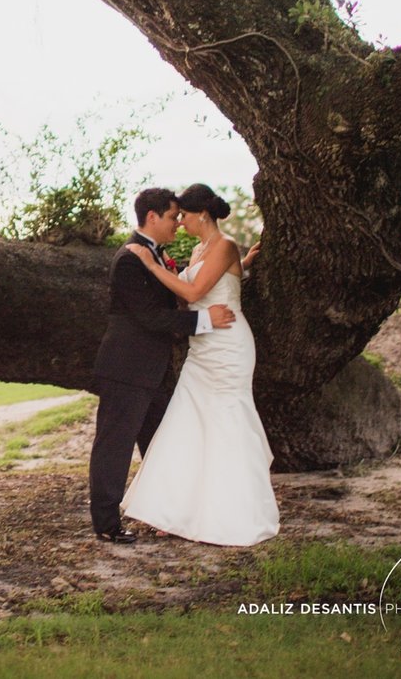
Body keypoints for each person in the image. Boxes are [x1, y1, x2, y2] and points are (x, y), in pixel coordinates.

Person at [119, 184, 278, 545]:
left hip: (227, 345)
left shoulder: (224, 245)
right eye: (175, 217)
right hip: (201, 347)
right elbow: (204, 285)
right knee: (187, 423)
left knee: (225, 422)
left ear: (201, 214)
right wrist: (244, 265)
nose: (179, 222)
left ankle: (233, 512)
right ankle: (177, 509)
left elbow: (192, 293)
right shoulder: (200, 250)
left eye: (183, 216)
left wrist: (147, 262)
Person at [87, 188, 236, 543]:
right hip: (126, 369)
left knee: (161, 444)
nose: (177, 223)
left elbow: (195, 281)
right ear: (152, 217)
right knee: (115, 446)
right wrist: (205, 321)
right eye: (172, 217)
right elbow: (151, 317)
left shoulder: (156, 255)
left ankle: (166, 515)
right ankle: (106, 524)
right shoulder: (129, 259)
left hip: (154, 370)